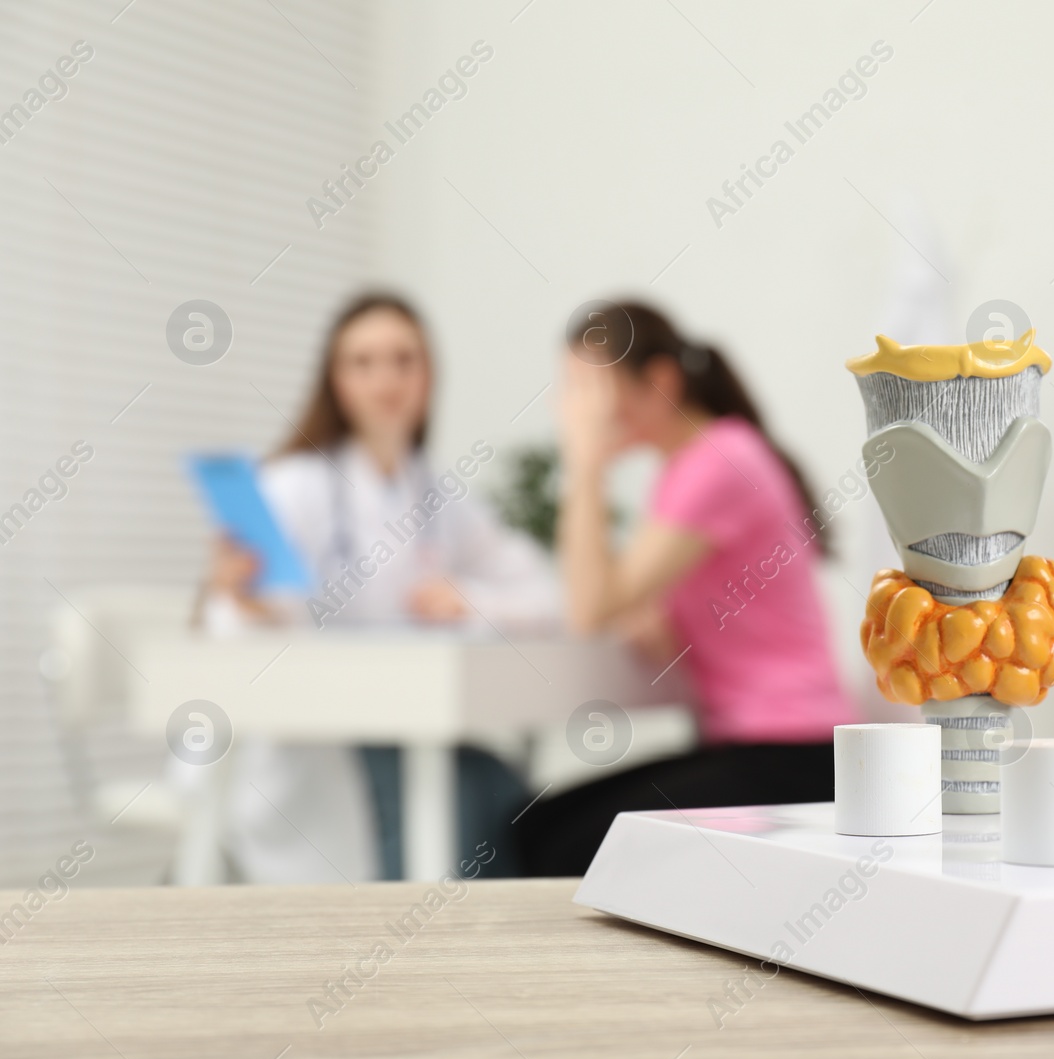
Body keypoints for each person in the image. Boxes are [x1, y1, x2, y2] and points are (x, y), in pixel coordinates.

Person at [200, 293, 560, 882]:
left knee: (494, 784)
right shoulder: (292, 486)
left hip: (405, 727)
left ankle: (476, 962)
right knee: (456, 796)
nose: (386, 379)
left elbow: (547, 597)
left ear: (429, 374)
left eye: (404, 359)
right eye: (362, 363)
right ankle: (428, 960)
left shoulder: (439, 495)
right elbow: (239, 632)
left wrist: (470, 598)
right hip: (313, 742)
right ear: (334, 381)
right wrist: (248, 599)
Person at [515, 301, 856, 874]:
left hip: (792, 753)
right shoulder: (695, 464)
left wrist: (584, 463)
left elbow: (589, 608)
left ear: (659, 382)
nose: (575, 409)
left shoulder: (717, 462)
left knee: (553, 845)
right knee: (537, 826)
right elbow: (636, 611)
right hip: (766, 748)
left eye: (587, 388)